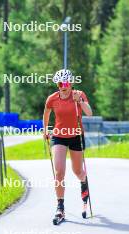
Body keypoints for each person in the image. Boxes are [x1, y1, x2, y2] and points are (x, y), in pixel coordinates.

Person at [43, 69, 93, 222]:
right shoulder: (52, 98)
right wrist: (45, 130)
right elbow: (46, 114)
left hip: (76, 136)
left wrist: (80, 101)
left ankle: (84, 184)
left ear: (70, 83)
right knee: (59, 172)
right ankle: (60, 207)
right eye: (59, 83)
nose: (62, 86)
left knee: (77, 171)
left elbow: (89, 113)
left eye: (65, 83)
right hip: (59, 136)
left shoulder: (79, 94)